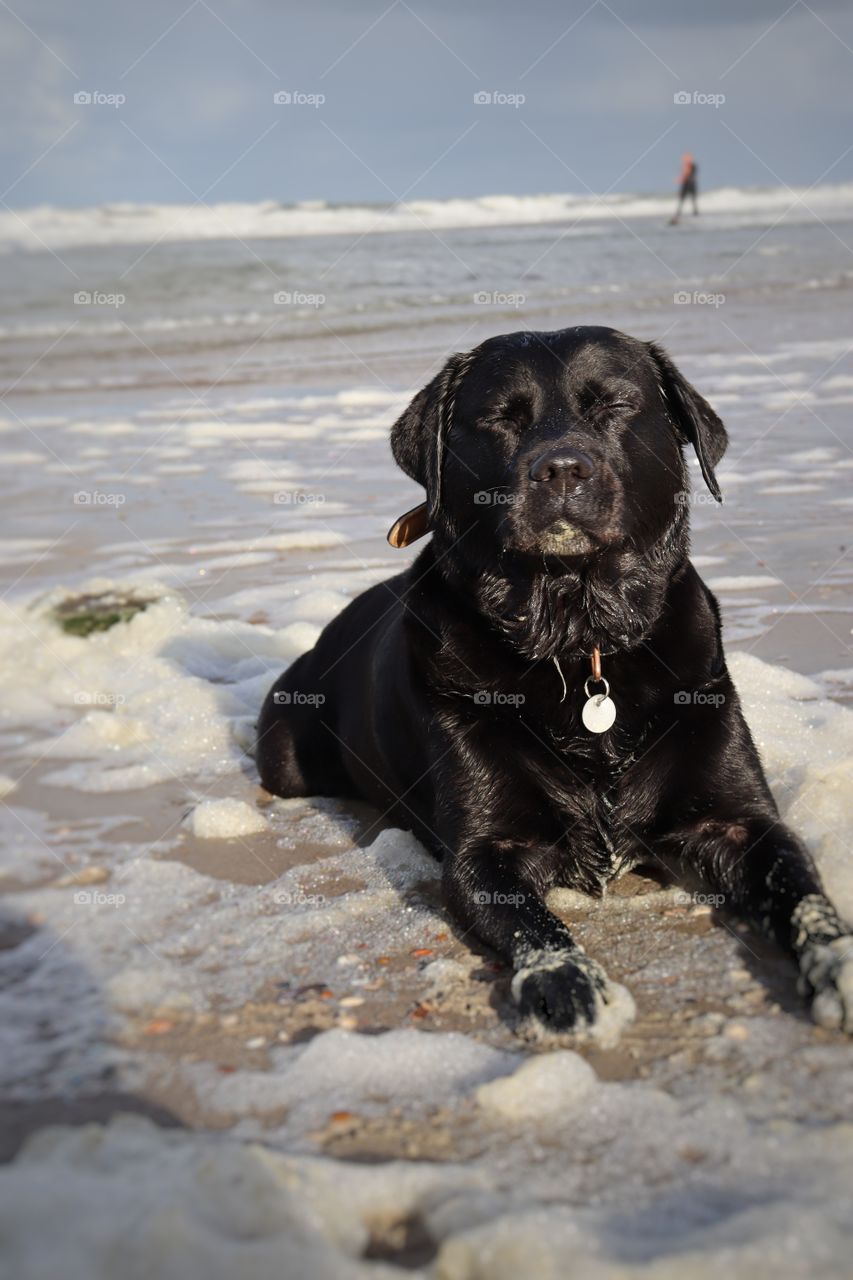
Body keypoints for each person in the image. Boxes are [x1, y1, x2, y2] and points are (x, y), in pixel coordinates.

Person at [670, 153, 698, 224]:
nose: (684, 160)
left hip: (691, 185)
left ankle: (695, 212)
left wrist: (683, 178)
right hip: (685, 185)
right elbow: (683, 175)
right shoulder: (684, 167)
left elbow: (690, 175)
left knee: (693, 199)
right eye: (684, 158)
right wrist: (680, 179)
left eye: (686, 158)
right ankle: (679, 212)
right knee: (682, 199)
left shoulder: (693, 166)